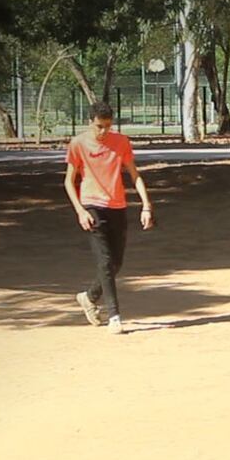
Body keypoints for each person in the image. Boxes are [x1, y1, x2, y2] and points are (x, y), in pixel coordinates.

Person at [65, 101, 154, 335]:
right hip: (92, 205)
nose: (103, 132)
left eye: (107, 126)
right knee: (105, 261)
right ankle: (115, 315)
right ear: (90, 122)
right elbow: (68, 180)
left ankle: (88, 296)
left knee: (116, 264)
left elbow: (134, 175)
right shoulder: (78, 144)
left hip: (118, 206)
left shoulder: (121, 142)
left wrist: (146, 205)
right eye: (98, 126)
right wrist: (80, 211)